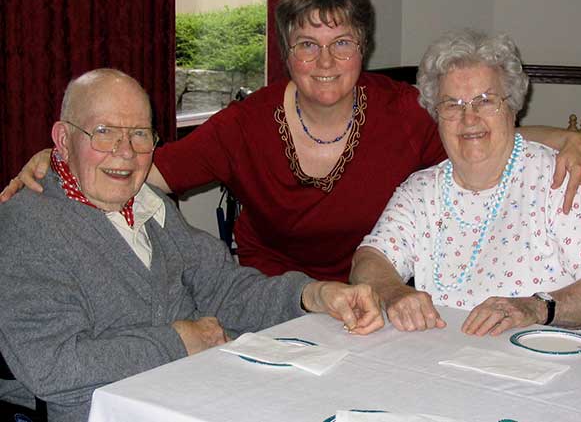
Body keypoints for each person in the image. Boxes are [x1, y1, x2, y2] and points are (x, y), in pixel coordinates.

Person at [0, 0, 581, 283]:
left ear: (363, 48)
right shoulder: (243, 124)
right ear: (285, 53)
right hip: (271, 301)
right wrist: (56, 161)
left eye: (341, 42)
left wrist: (574, 139)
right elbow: (133, 168)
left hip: (381, 298)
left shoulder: (402, 113)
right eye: (307, 44)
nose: (324, 61)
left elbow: (477, 120)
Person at [0, 69, 384, 422]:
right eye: (103, 131)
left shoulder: (150, 205)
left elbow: (225, 288)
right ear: (63, 141)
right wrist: (178, 341)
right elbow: (53, 366)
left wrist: (311, 294)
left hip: (199, 391)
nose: (126, 150)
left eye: (139, 133)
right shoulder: (28, 226)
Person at [351, 29, 581, 340]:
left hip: (574, 358)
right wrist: (393, 292)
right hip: (461, 361)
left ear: (513, 108)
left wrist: (535, 308)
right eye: (452, 105)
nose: (469, 118)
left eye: (485, 101)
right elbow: (369, 260)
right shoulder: (420, 192)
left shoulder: (562, 176)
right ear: (436, 114)